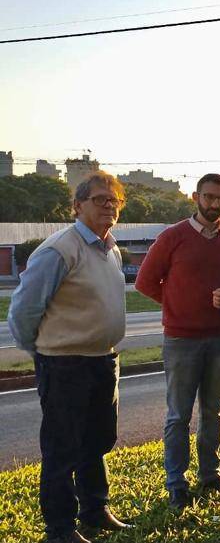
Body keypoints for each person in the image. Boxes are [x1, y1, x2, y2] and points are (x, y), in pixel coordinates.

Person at [8, 172, 133, 543]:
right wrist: (45, 350)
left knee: (97, 441)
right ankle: (60, 530)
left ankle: (95, 510)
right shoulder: (58, 249)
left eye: (115, 201)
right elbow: (22, 311)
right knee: (63, 450)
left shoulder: (110, 249)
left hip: (103, 359)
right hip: (65, 365)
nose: (109, 205)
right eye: (100, 199)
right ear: (77, 206)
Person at [135, 173, 220, 510]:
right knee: (178, 416)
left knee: (214, 413)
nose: (215, 203)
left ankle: (210, 475)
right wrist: (177, 304)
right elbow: (144, 282)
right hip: (181, 340)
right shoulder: (173, 236)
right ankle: (176, 484)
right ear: (196, 197)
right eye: (209, 197)